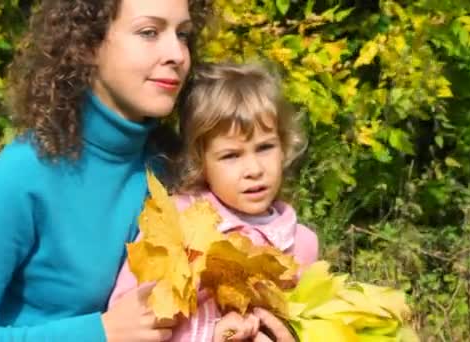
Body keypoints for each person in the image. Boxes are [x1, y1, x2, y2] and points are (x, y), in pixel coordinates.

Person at [0, 0, 209, 340]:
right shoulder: (26, 171)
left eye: (183, 35)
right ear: (89, 44)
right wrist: (100, 332)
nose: (177, 54)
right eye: (149, 32)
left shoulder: (176, 166)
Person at [109, 62, 320, 341]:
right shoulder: (176, 223)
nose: (254, 169)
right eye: (231, 156)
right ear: (200, 161)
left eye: (265, 147)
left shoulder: (300, 243)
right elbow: (128, 319)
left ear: (283, 147)